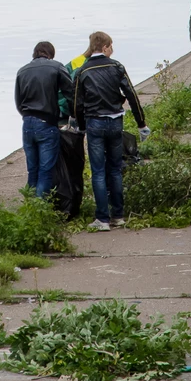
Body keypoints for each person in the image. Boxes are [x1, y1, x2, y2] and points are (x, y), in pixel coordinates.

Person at [73, 31, 150, 231]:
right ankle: (118, 216)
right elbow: (131, 95)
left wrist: (81, 127)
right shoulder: (117, 67)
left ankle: (102, 219)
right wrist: (141, 123)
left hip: (94, 123)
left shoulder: (82, 71)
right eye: (111, 46)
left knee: (98, 171)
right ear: (105, 47)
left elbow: (77, 104)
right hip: (116, 122)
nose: (113, 50)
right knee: (115, 169)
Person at [15, 41, 73, 198]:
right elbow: (71, 94)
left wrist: (27, 115)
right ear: (51, 54)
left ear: (34, 53)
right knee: (45, 171)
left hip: (27, 123)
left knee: (32, 170)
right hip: (46, 123)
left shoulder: (22, 71)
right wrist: (72, 115)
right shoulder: (57, 67)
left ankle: (30, 205)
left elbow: (18, 101)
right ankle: (40, 207)